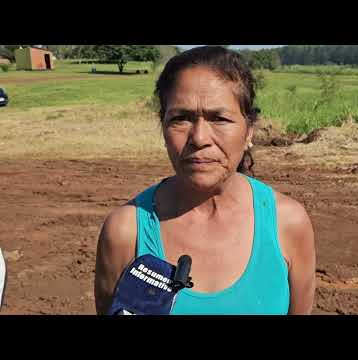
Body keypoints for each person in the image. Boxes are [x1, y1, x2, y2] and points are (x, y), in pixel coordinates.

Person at [94, 46, 316, 315]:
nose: (199, 138)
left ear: (249, 131)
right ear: (162, 126)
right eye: (181, 118)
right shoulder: (125, 232)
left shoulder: (287, 224)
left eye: (219, 118)